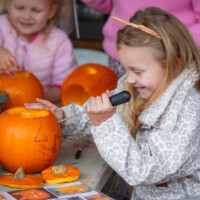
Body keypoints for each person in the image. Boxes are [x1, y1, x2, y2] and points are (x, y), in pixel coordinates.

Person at [25, 7, 200, 200]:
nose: (130, 79)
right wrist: (64, 117)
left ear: (174, 65)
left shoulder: (188, 112)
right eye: (126, 69)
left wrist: (105, 123)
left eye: (137, 71)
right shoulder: (140, 86)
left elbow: (142, 170)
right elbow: (103, 112)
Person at [80, 0, 200, 78]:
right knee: (123, 109)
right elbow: (106, 4)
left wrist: (176, 46)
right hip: (120, 57)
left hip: (169, 57)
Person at [0, 0, 77, 103]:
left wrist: (37, 98)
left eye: (36, 10)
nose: (27, 16)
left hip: (42, 105)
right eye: (20, 8)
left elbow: (65, 84)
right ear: (8, 4)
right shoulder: (1, 26)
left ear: (51, 11)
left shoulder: (59, 41)